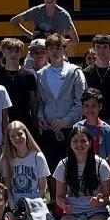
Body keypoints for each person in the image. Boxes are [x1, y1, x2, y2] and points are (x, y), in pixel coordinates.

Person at [53, 125, 110, 220]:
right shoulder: (63, 165)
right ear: (70, 144)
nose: (79, 144)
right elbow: (59, 196)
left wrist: (99, 201)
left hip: (96, 212)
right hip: (72, 212)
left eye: (83, 141)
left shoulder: (101, 164)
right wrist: (64, 205)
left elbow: (108, 197)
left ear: (90, 143)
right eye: (75, 141)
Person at [36, 34, 85, 164]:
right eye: (51, 48)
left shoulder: (75, 72)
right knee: (50, 169)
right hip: (49, 130)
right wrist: (41, 117)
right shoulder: (41, 74)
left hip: (71, 130)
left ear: (64, 50)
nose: (55, 51)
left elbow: (81, 102)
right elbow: (40, 101)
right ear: (47, 51)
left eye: (58, 48)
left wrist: (65, 121)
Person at [11, 0, 78, 43]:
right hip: (38, 50)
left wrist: (55, 41)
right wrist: (31, 35)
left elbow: (75, 41)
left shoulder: (63, 15)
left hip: (56, 51)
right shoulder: (36, 11)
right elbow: (14, 21)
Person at [0, 38, 39, 132]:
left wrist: (35, 119)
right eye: (10, 51)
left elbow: (33, 100)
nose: (13, 54)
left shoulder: (28, 75)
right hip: (3, 120)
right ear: (4, 52)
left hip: (25, 120)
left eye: (17, 51)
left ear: (21, 53)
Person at [72, 89, 110, 165]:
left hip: (101, 172)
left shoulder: (108, 131)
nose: (90, 109)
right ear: (82, 107)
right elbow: (72, 153)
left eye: (94, 105)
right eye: (86, 106)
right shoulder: (76, 128)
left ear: (100, 107)